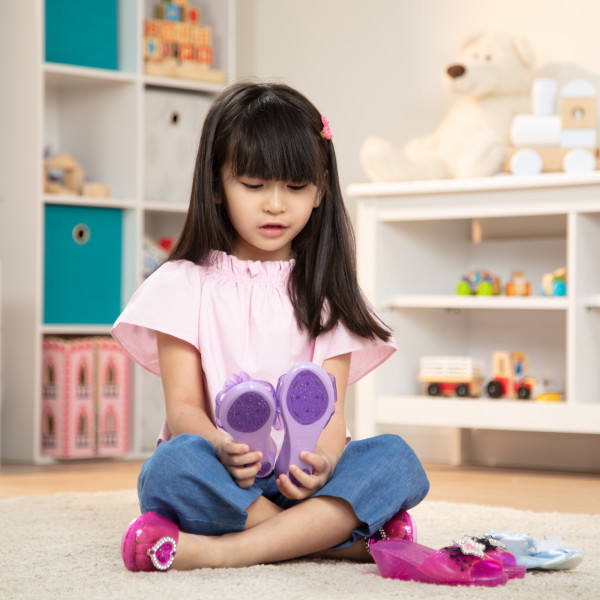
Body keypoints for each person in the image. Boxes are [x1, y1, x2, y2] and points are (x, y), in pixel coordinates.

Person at [112, 81, 429, 571]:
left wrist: (322, 462)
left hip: (308, 485)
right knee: (170, 469)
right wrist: (220, 445)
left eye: (296, 187)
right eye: (255, 186)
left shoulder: (324, 290)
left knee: (396, 458)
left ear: (321, 188)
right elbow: (183, 411)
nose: (276, 205)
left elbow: (332, 417)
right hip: (224, 477)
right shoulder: (183, 284)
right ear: (217, 184)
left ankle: (220, 551)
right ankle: (335, 537)